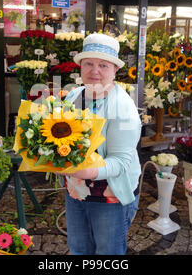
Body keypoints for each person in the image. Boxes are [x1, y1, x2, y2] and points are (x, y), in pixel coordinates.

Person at [60, 33, 142, 255]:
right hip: (76, 190)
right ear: (80, 67)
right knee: (78, 249)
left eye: (103, 65)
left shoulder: (123, 108)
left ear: (115, 70)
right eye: (88, 63)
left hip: (109, 196)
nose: (94, 71)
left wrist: (87, 171)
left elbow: (121, 162)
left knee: (107, 253)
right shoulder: (73, 96)